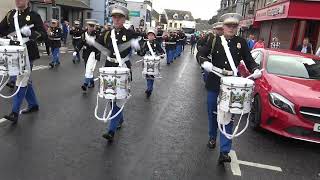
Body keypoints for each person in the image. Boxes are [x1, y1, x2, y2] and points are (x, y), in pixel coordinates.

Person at [198, 13, 259, 164]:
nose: (231, 28)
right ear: (223, 26)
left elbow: (249, 60)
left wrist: (255, 69)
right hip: (214, 82)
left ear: (237, 27)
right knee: (213, 113)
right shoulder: (214, 40)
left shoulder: (241, 42)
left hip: (232, 83)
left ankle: (224, 151)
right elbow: (201, 53)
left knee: (228, 115)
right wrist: (204, 62)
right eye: (228, 25)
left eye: (234, 26)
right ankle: (212, 137)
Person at [90, 4, 140, 142]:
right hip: (109, 67)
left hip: (123, 67)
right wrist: (91, 42)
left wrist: (137, 45)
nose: (117, 20)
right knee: (112, 97)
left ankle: (111, 131)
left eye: (120, 17)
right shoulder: (106, 34)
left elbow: (141, 50)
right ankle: (120, 118)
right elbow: (100, 49)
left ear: (124, 19)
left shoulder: (130, 33)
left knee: (119, 97)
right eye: (114, 17)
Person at [0, 0, 46, 124]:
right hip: (13, 52)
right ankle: (33, 104)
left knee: (21, 79)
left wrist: (31, 34)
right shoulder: (11, 15)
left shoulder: (34, 15)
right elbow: (1, 29)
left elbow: (43, 34)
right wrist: (7, 36)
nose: (17, 1)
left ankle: (14, 112)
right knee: (25, 79)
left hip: (27, 52)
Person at [138, 29, 165, 98]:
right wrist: (140, 51)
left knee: (151, 76)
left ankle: (149, 89)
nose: (150, 36)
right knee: (147, 76)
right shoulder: (145, 43)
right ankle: (149, 88)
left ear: (154, 36)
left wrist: (162, 54)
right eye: (149, 35)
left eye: (152, 35)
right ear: (147, 36)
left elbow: (161, 51)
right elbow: (141, 53)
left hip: (154, 63)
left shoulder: (157, 43)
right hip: (146, 62)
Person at [77, 19, 101, 92]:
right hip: (86, 53)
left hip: (93, 53)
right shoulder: (84, 34)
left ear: (94, 27)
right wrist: (76, 50)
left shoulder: (97, 34)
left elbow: (99, 45)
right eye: (90, 26)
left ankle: (85, 84)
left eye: (92, 26)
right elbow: (81, 43)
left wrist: (92, 43)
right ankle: (91, 82)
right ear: (87, 26)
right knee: (88, 68)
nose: (91, 27)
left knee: (89, 69)